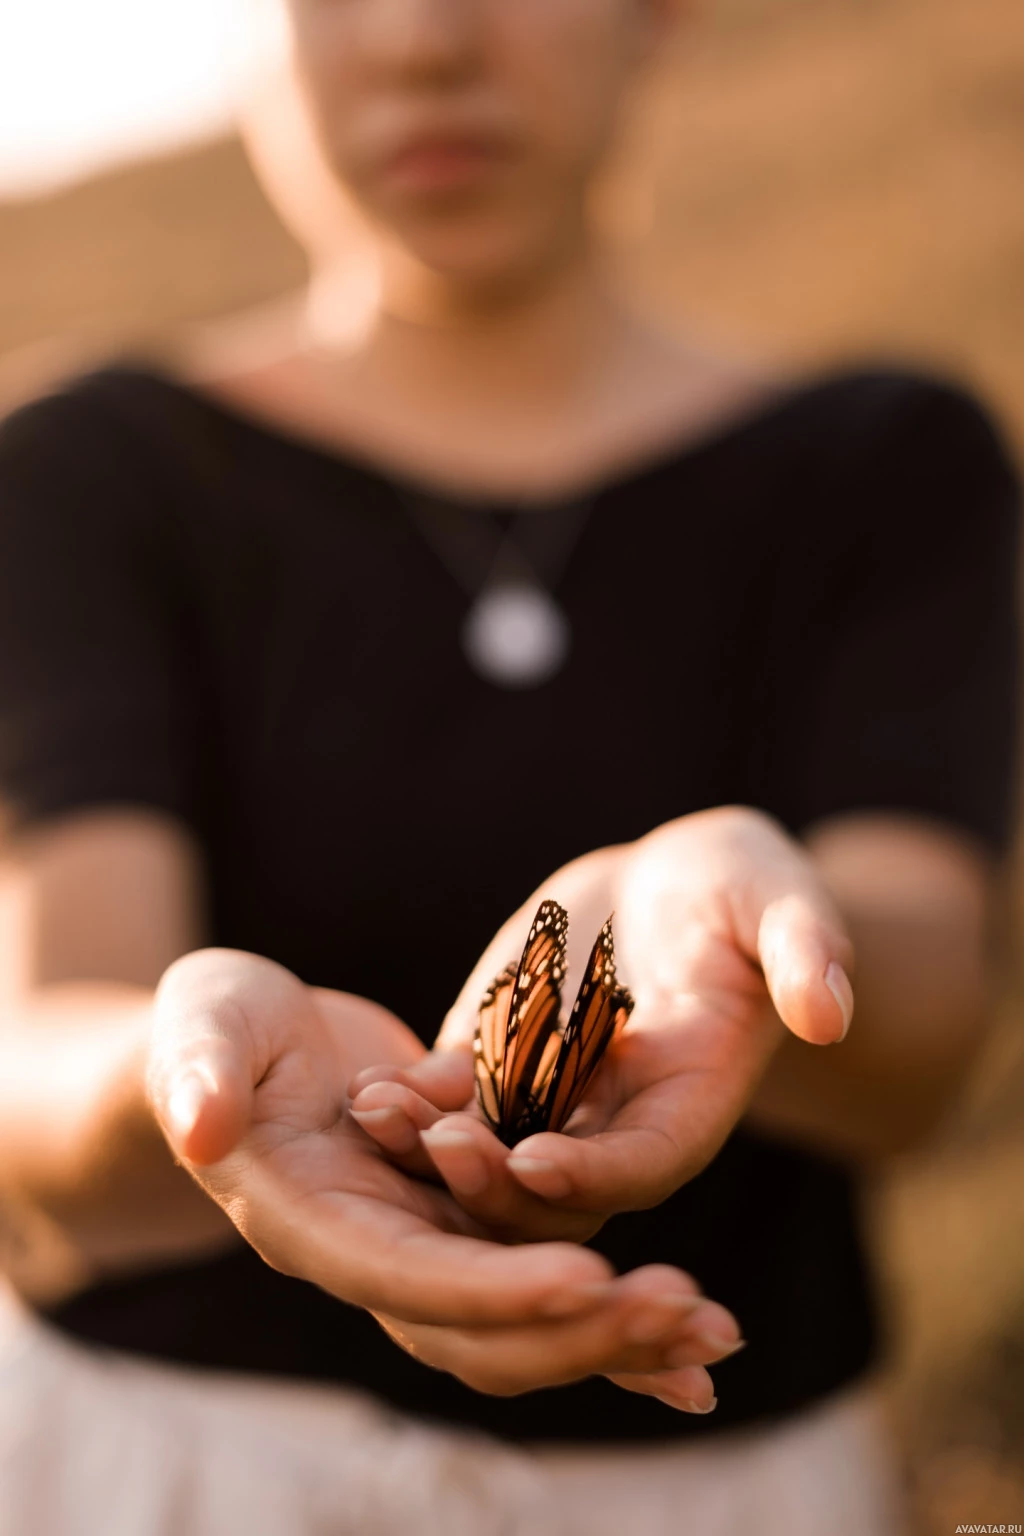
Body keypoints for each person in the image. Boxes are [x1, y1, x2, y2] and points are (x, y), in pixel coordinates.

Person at [0, 1, 1018, 1532]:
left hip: (721, 1479)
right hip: (172, 1470)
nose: (423, 41)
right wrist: (181, 1072)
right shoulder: (86, 469)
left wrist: (741, 937)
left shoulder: (886, 461)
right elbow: (38, 1042)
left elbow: (923, 1039)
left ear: (656, 16)